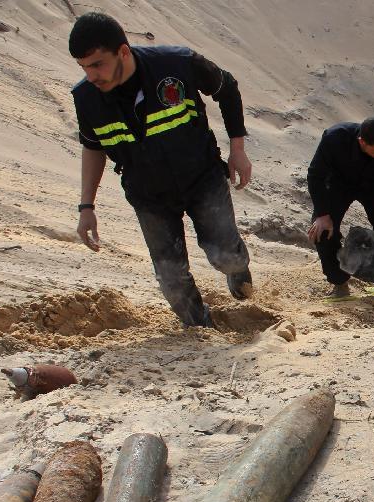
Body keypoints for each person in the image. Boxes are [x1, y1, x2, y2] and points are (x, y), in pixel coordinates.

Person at [68, 12, 253, 328]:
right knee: (171, 278)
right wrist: (87, 206)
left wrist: (237, 150)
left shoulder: (177, 64)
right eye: (83, 67)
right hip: (148, 193)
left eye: (97, 64)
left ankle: (237, 268)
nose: (91, 75)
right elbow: (93, 147)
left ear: (123, 52)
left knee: (226, 256)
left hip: (201, 177)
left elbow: (227, 87)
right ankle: (202, 330)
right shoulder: (86, 98)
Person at [306, 117, 374, 297]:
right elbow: (315, 176)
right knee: (321, 231)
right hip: (338, 184)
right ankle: (339, 284)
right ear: (362, 141)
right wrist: (322, 215)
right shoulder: (334, 138)